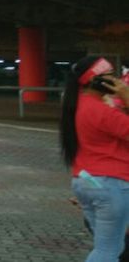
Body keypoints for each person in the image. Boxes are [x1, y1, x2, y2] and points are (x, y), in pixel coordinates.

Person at [60, 56, 129, 261]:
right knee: (108, 250)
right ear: (95, 80)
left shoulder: (79, 104)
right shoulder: (101, 112)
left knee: (105, 246)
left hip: (86, 181)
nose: (115, 80)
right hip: (111, 182)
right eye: (109, 76)